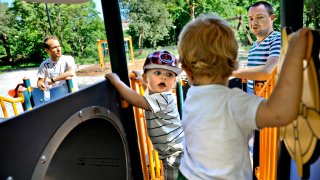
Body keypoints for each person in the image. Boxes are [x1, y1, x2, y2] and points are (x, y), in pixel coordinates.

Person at [177, 14, 309, 179]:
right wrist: (294, 56)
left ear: (187, 71)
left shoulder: (191, 97)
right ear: (234, 65)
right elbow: (281, 112)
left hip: (187, 174)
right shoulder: (234, 102)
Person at [105, 50, 184, 180]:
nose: (163, 77)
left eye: (169, 74)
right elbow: (149, 89)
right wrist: (140, 78)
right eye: (157, 73)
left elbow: (136, 100)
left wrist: (117, 81)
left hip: (176, 154)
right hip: (170, 153)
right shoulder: (155, 95)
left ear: (174, 81)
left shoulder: (164, 98)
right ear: (147, 77)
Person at [232, 1, 281, 94]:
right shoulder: (254, 45)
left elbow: (269, 71)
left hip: (270, 100)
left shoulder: (277, 38)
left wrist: (229, 72)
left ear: (272, 18)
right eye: (250, 18)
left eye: (259, 17)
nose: (254, 22)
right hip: (254, 97)